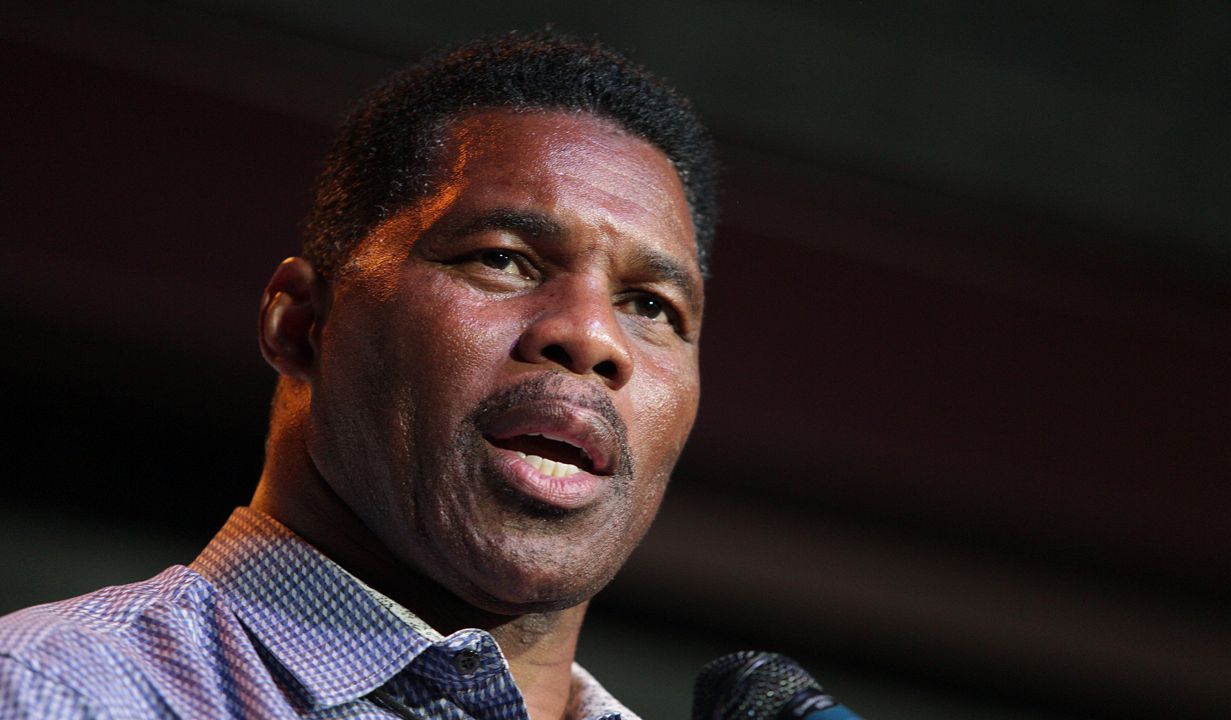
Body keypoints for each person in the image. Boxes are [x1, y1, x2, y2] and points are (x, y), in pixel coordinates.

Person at [0, 31, 716, 720]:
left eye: (651, 306)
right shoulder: (56, 693)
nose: (592, 336)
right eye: (501, 259)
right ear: (302, 322)